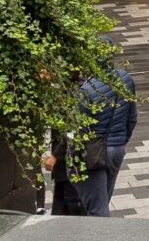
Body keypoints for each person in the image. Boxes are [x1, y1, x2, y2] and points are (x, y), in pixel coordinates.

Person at [49, 65, 139, 216]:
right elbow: (132, 119)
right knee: (103, 200)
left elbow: (75, 131)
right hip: (117, 149)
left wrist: (66, 159)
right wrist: (121, 141)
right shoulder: (126, 79)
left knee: (97, 209)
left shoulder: (86, 90)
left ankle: (100, 238)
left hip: (93, 153)